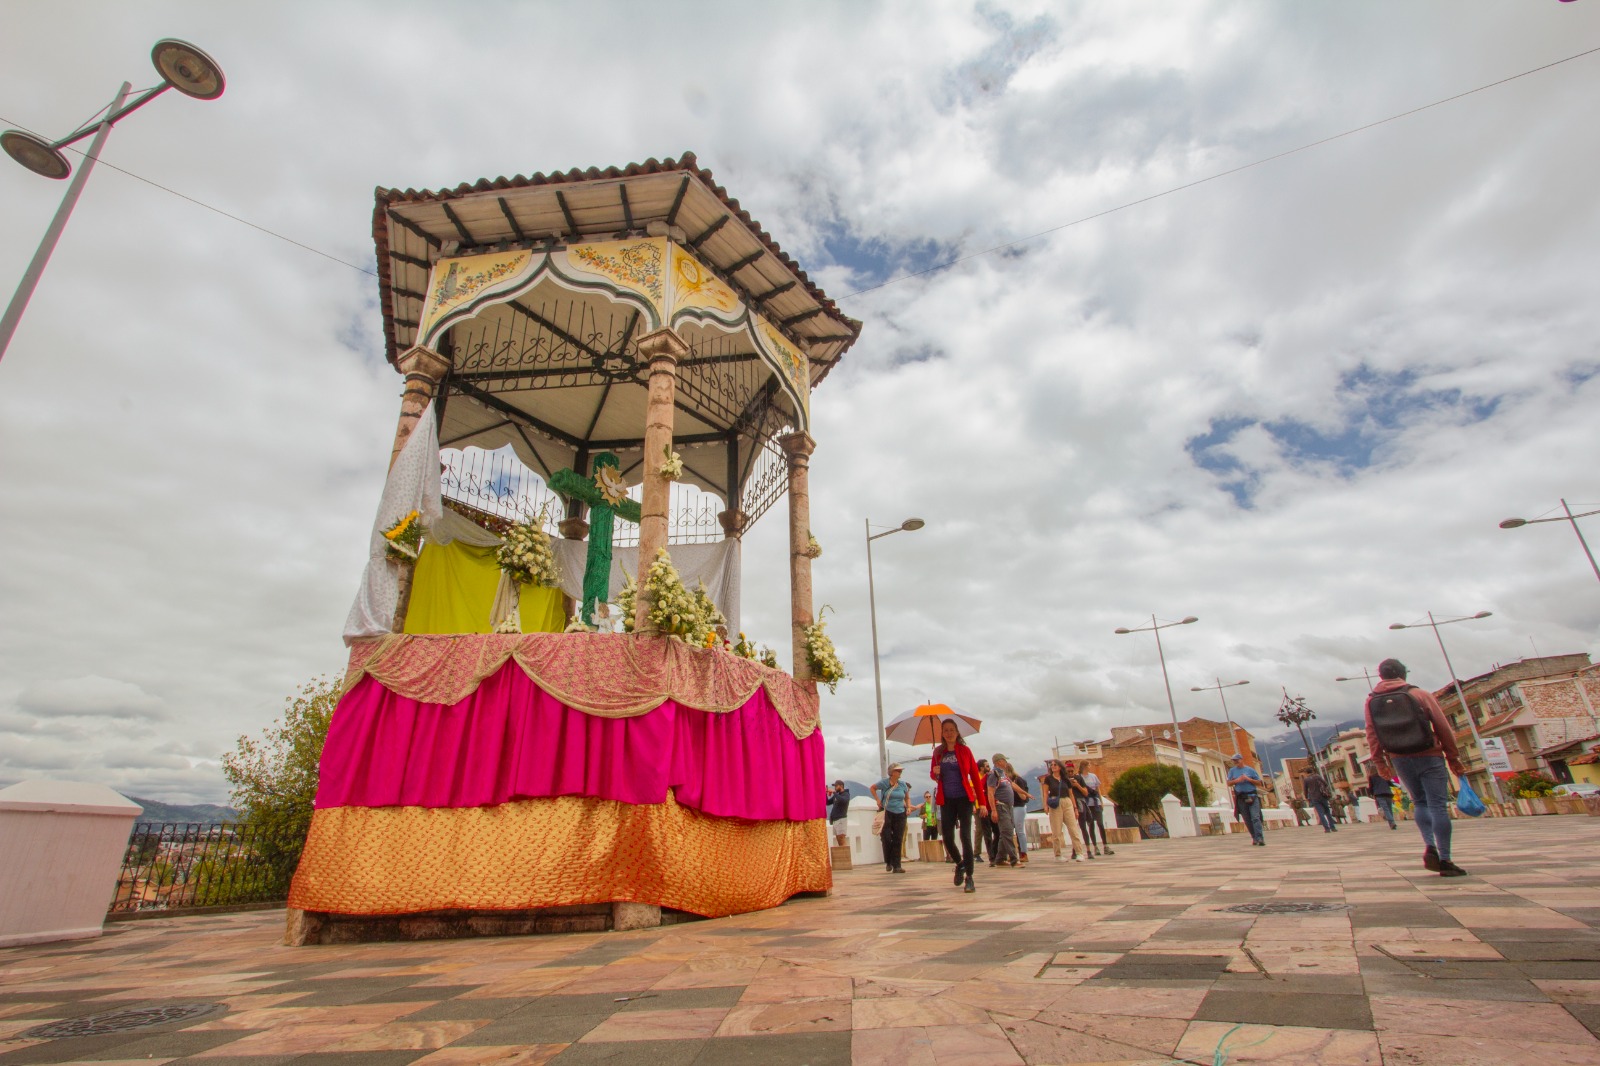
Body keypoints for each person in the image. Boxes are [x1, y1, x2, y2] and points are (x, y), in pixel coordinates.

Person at [1365, 657, 1468, 877]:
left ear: (1381, 676)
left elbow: (1371, 733)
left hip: (1399, 757)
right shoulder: (1419, 694)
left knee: (1419, 802)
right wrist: (1453, 757)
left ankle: (1428, 844)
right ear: (1403, 674)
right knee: (1438, 805)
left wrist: (1379, 762)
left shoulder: (1371, 701)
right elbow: (1442, 726)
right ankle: (1445, 858)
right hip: (1429, 755)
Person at [931, 717, 987, 892]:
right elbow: (934, 776)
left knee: (965, 836)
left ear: (957, 732)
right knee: (947, 837)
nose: (949, 733)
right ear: (942, 733)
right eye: (945, 730)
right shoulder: (938, 753)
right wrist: (935, 772)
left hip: (964, 799)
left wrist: (982, 803)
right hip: (946, 800)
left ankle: (969, 877)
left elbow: (975, 779)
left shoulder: (964, 751)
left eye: (952, 730)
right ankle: (960, 864)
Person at [1038, 759, 1086, 861]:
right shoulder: (1048, 779)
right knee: (1056, 831)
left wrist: (1075, 808)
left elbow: (1071, 794)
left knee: (1073, 829)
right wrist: (1045, 805)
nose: (1053, 766)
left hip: (1067, 802)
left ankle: (1079, 853)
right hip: (1055, 803)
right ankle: (1058, 854)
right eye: (1052, 765)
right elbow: (1045, 793)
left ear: (1060, 767)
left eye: (1055, 765)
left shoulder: (1065, 779)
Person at [871, 764, 914, 874]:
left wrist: (908, 807)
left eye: (900, 771)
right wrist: (877, 800)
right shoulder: (884, 783)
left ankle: (897, 865)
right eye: (898, 770)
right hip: (887, 812)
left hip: (900, 813)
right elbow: (872, 788)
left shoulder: (903, 784)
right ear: (892, 772)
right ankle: (889, 861)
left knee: (898, 839)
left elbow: (907, 797)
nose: (900, 772)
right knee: (886, 837)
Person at [1073, 762, 1114, 856]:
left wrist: (1101, 801)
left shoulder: (1093, 776)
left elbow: (1098, 789)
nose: (1090, 767)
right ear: (1084, 766)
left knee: (1100, 823)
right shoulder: (1079, 777)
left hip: (1095, 802)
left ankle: (1105, 845)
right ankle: (1095, 846)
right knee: (1091, 825)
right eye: (1089, 765)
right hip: (1086, 803)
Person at [986, 753, 1019, 867]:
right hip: (1001, 806)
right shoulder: (993, 774)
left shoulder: (1003, 774)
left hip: (1009, 806)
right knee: (1007, 832)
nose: (1006, 763)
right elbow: (990, 792)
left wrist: (1024, 793)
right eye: (1004, 760)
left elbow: (1012, 785)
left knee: (1004, 833)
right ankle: (1014, 859)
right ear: (999, 761)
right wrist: (994, 810)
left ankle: (1000, 858)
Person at [1226, 753, 1266, 846]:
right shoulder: (1232, 771)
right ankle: (1254, 837)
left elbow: (1259, 782)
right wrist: (1238, 780)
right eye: (1234, 760)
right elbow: (1229, 783)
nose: (1235, 762)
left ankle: (1260, 837)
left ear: (1241, 759)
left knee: (1255, 817)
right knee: (1247, 819)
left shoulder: (1250, 770)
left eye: (1237, 760)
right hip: (1241, 797)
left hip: (1252, 796)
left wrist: (1248, 779)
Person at [1007, 759, 1032, 864]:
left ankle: (1023, 853)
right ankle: (1012, 853)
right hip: (1010, 807)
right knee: (1009, 830)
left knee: (1019, 830)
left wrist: (1016, 789)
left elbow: (1023, 796)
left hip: (1018, 807)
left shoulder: (1018, 780)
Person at [975, 758, 998, 864]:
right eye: (987, 766)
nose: (989, 768)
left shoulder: (993, 776)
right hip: (982, 808)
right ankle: (991, 857)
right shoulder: (980, 779)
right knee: (985, 832)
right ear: (981, 768)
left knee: (997, 832)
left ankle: (995, 853)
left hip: (992, 808)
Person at [1367, 765, 1398, 829]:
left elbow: (1371, 787)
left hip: (1379, 794)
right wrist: (1396, 785)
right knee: (1389, 809)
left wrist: (1372, 794)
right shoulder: (1383, 775)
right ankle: (1392, 824)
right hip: (1388, 793)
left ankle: (1392, 822)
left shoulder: (1371, 777)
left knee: (1386, 809)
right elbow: (1390, 783)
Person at [826, 780, 850, 846]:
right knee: (838, 838)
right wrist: (825, 793)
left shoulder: (846, 794)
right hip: (835, 820)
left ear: (841, 786)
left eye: (836, 786)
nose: (835, 788)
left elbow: (843, 801)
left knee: (841, 838)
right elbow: (827, 802)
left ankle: (846, 855)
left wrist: (834, 793)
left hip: (841, 819)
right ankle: (843, 854)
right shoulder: (837, 795)